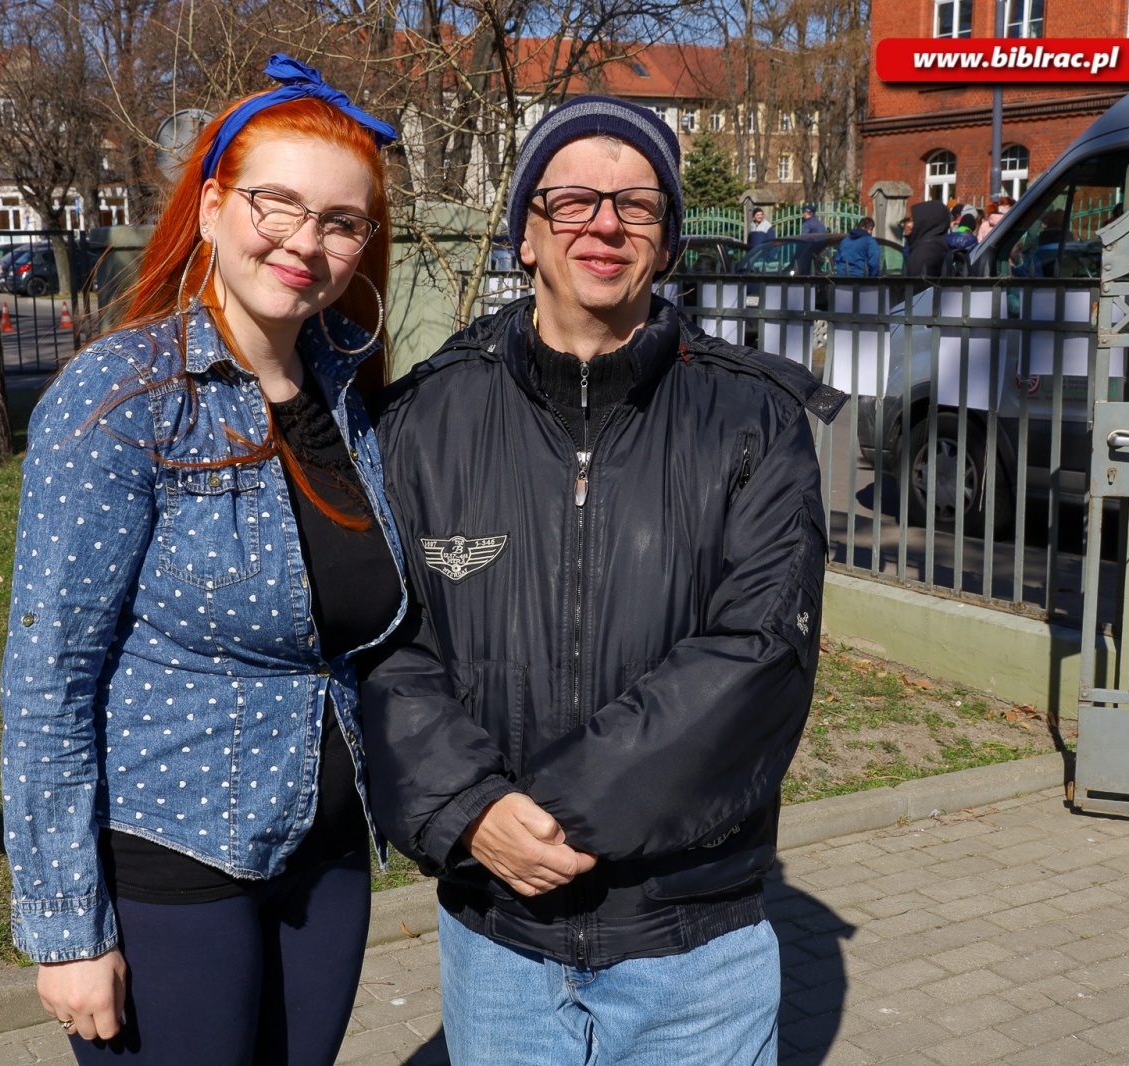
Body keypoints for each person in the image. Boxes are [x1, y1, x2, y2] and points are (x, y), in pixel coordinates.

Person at [361, 96, 844, 1066]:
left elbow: (759, 653)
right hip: (498, 946)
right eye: (572, 199)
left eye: (636, 203)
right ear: (526, 233)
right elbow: (384, 643)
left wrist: (541, 814)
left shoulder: (752, 419)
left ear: (667, 240)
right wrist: (470, 812)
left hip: (694, 951)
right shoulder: (422, 419)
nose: (605, 224)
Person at [0, 54, 407, 1066]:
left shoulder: (350, 396)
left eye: (341, 222)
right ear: (215, 205)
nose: (305, 242)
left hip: (326, 857)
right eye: (279, 204)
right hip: (175, 865)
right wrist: (67, 930)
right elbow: (48, 680)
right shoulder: (121, 400)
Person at [903, 197, 953, 279]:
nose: (908, 225)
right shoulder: (939, 245)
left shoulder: (923, 253)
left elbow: (914, 284)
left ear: (926, 221)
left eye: (913, 220)